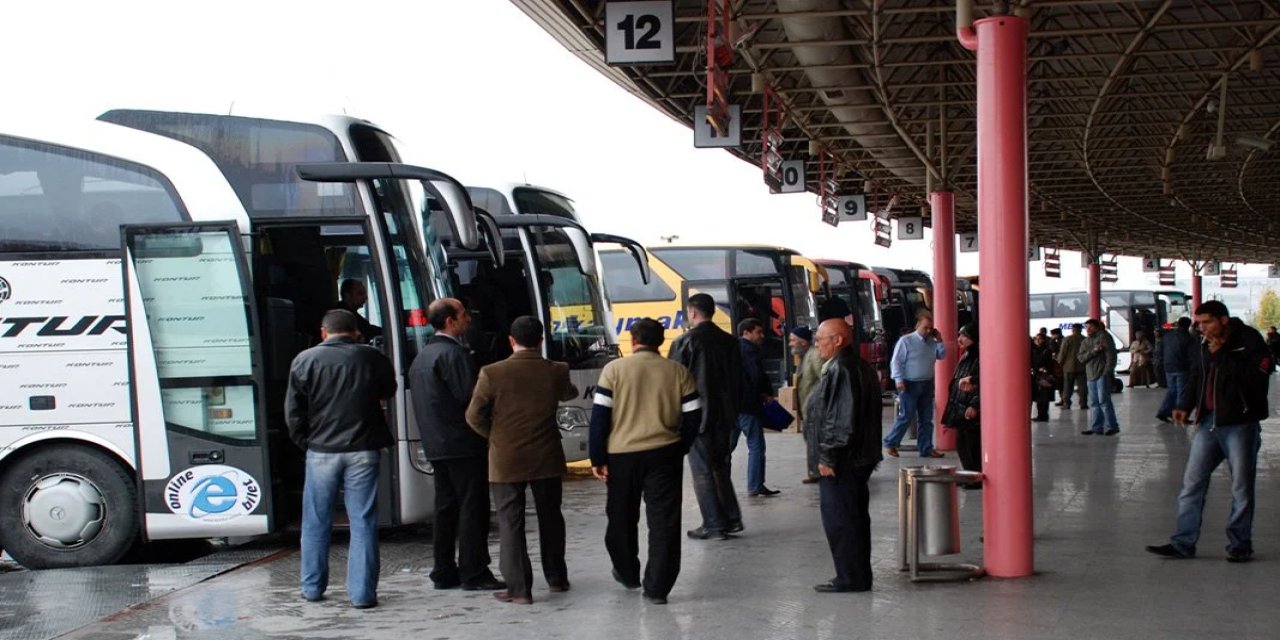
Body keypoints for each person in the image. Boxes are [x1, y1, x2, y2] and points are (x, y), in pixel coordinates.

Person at [285, 309, 397, 609]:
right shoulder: (370, 357)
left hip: (321, 451)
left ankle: (312, 588)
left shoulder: (304, 360)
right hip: (363, 449)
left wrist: (307, 443)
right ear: (355, 331)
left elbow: (293, 413)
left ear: (324, 332)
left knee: (316, 520)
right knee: (362, 521)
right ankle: (361, 595)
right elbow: (390, 389)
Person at [1146, 301, 1272, 563]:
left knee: (1241, 487)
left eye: (1207, 322)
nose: (1202, 328)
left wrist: (1222, 354)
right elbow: (1197, 376)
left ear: (1224, 320)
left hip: (1240, 422)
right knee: (1192, 483)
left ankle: (1240, 544)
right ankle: (1183, 542)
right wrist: (1185, 405)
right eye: (1199, 323)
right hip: (1209, 422)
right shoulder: (1202, 343)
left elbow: (1255, 377)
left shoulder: (1249, 339)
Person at [466, 316, 578, 605]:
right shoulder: (557, 370)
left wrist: (495, 436)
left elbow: (473, 416)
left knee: (510, 521)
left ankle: (519, 589)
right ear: (541, 340)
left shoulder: (492, 372)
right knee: (551, 517)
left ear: (511, 341)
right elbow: (569, 393)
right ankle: (556, 578)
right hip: (547, 455)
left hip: (506, 458)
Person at [590, 318, 702, 605]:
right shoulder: (678, 372)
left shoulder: (613, 370)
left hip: (621, 456)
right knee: (664, 521)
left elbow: (600, 418)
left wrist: (598, 457)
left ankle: (628, 573)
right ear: (661, 342)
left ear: (632, 340)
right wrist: (681, 447)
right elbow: (693, 415)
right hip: (664, 454)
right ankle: (657, 587)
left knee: (621, 517)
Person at [410, 298, 505, 592]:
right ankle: (474, 571)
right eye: (464, 314)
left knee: (446, 508)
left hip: (437, 443)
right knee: (472, 507)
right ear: (450, 321)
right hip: (463, 443)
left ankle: (443, 570)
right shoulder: (455, 355)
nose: (469, 320)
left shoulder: (422, 356)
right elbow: (471, 398)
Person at [808, 318, 882, 593]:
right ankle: (857, 575)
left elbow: (840, 421)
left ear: (838, 340)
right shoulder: (857, 366)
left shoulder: (843, 369)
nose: (817, 345)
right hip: (859, 457)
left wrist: (828, 457)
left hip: (844, 460)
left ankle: (851, 577)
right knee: (854, 517)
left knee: (842, 519)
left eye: (820, 340)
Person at [670, 294, 745, 541]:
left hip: (697, 417)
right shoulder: (730, 342)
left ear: (692, 313)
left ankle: (713, 525)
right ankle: (732, 519)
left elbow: (674, 384)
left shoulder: (684, 342)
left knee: (701, 471)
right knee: (720, 468)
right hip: (727, 415)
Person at [883, 310, 946, 458]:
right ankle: (891, 442)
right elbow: (896, 361)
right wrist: (898, 379)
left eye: (931, 328)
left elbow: (942, 355)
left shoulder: (932, 342)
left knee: (926, 418)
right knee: (906, 415)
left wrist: (940, 340)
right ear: (917, 325)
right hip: (909, 383)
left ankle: (926, 448)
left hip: (926, 383)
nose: (928, 331)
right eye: (925, 327)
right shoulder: (906, 341)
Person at [735, 318, 780, 496]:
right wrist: (765, 393)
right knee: (756, 446)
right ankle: (755, 485)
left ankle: (719, 484)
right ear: (746, 332)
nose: (762, 336)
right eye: (758, 332)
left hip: (732, 406)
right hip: (748, 406)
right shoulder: (750, 351)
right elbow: (756, 376)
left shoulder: (731, 348)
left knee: (726, 449)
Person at [942, 324, 981, 485]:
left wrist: (975, 405)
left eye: (964, 335)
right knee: (962, 443)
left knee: (972, 444)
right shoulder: (967, 355)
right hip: (960, 404)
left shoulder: (980, 356)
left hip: (969, 406)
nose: (959, 339)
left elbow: (985, 383)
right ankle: (968, 474)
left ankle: (974, 476)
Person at [791, 325, 825, 484]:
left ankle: (817, 472)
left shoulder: (815, 356)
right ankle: (815, 471)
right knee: (811, 439)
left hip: (815, 408)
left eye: (793, 340)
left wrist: (814, 399)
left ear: (803, 342)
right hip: (808, 408)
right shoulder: (806, 356)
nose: (790, 344)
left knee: (814, 440)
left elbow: (823, 380)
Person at [1077, 319, 1119, 436]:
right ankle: (1097, 427)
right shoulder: (1085, 342)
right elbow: (1081, 358)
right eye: (1086, 327)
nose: (1088, 330)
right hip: (1090, 374)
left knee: (1104, 401)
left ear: (1097, 327)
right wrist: (1094, 351)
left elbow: (1111, 356)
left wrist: (1107, 372)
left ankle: (1111, 426)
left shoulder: (1104, 337)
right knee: (1094, 402)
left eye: (1090, 327)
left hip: (1101, 374)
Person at [1156, 317, 1195, 423]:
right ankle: (1180, 415)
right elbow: (1191, 355)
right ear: (1188, 325)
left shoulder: (1167, 336)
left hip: (1168, 366)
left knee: (1171, 390)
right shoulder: (1188, 338)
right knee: (1181, 392)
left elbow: (1160, 350)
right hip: (1182, 368)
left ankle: (1163, 411)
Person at [1057, 323, 1087, 409]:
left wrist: (1059, 363)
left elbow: (1062, 353)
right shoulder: (1084, 339)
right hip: (1082, 366)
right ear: (1081, 330)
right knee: (1082, 386)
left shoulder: (1068, 339)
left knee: (1068, 386)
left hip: (1068, 367)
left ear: (1073, 329)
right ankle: (1083, 403)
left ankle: (1067, 403)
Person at [1031, 332, 1055, 422]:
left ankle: (1043, 415)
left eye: (1039, 339)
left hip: (1044, 376)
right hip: (1037, 375)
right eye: (1036, 339)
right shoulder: (1034, 350)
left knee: (1043, 397)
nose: (1037, 340)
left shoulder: (1046, 351)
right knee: (1040, 397)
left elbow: (1048, 363)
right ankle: (1041, 415)